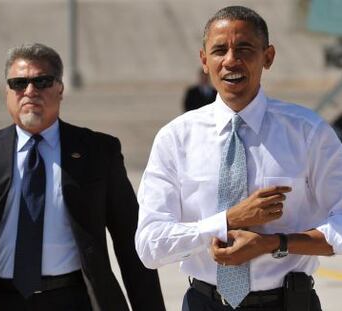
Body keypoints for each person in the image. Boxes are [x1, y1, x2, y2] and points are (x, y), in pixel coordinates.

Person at [135, 6, 342, 311]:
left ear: (268, 57)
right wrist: (227, 221)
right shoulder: (176, 139)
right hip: (205, 303)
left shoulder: (308, 133)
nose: (231, 60)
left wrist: (276, 243)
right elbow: (150, 245)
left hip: (288, 303)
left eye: (244, 48)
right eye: (219, 50)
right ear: (204, 61)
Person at [0, 43, 166, 311]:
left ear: (60, 89)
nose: (30, 91)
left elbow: (130, 240)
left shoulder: (98, 152)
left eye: (42, 81)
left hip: (74, 300)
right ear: (7, 92)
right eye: (19, 83)